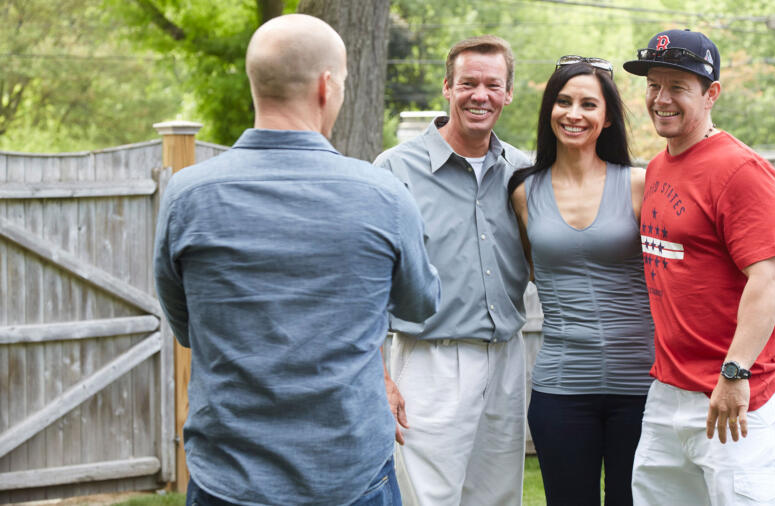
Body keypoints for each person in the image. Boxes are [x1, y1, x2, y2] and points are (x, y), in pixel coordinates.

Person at [153, 14, 440, 506]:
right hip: (350, 477)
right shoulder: (383, 195)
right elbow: (421, 303)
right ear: (327, 87)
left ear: (254, 84)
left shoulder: (186, 196)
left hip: (227, 478)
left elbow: (185, 326)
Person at [623, 29, 775, 505]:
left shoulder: (742, 171)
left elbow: (769, 276)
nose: (661, 99)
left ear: (711, 93)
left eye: (678, 87)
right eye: (653, 85)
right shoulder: (659, 166)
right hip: (667, 391)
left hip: (735, 395)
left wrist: (735, 373)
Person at [373, 35, 531, 506]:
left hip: (507, 358)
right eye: (468, 83)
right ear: (447, 87)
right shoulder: (395, 169)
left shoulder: (522, 171)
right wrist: (379, 377)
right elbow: (367, 284)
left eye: (492, 85)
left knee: (499, 497)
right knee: (427, 499)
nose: (479, 95)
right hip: (428, 359)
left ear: (507, 94)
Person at [507, 56, 654, 505]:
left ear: (606, 118)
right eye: (563, 101)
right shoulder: (522, 191)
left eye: (588, 104)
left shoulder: (639, 184)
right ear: (549, 110)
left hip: (643, 387)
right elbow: (534, 269)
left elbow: (671, 276)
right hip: (561, 388)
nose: (574, 113)